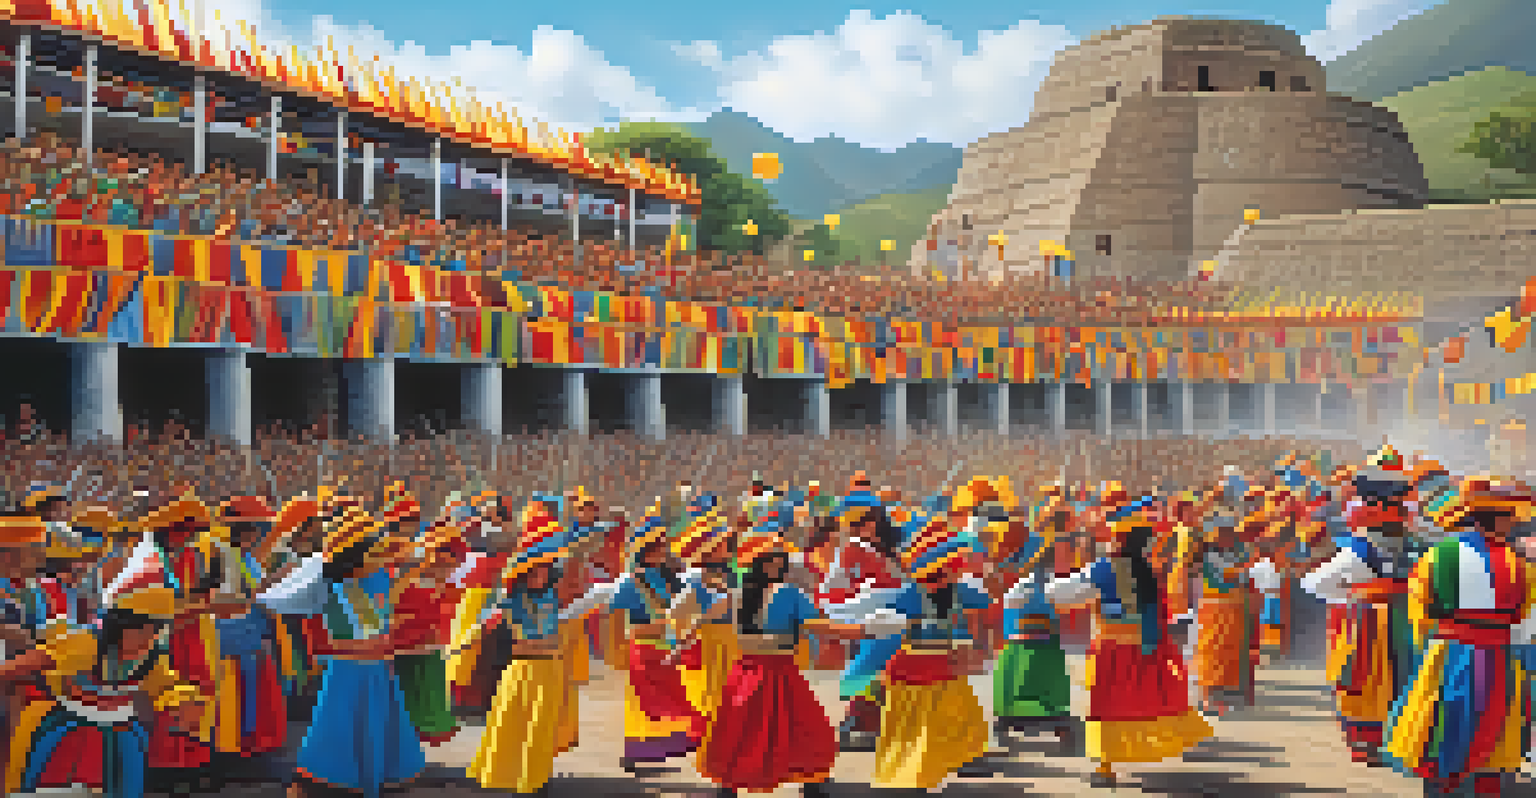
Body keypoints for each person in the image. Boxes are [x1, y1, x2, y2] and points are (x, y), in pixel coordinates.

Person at [1045, 496, 1213, 788]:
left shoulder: (1106, 569)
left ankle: (1105, 766)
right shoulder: (1147, 570)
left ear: (1120, 540)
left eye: (1111, 536)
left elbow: (1063, 594)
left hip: (1110, 650)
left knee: (1104, 707)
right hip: (1144, 648)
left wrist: (1049, 583)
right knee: (1137, 703)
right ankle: (1133, 753)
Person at [1384, 478, 1536, 797]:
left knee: (1442, 717)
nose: (1513, 524)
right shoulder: (1520, 565)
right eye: (1510, 517)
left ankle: (1444, 784)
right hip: (1499, 655)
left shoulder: (1437, 556)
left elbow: (1418, 611)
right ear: (1498, 519)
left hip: (1448, 650)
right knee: (1496, 724)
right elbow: (1523, 619)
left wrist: (1428, 642)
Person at [0, 578, 208, 798]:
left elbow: (168, 688)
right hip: (68, 730)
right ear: (118, 626)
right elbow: (27, 663)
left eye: (153, 632)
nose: (146, 640)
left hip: (122, 737)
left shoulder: (152, 660)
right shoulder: (83, 645)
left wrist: (183, 701)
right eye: (139, 631)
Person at [695, 533, 855, 797]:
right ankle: (812, 782)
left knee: (738, 729)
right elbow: (819, 625)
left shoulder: (736, 595)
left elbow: (704, 618)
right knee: (807, 727)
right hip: (779, 672)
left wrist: (679, 645)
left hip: (743, 672)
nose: (783, 564)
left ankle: (728, 786)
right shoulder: (789, 593)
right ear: (770, 563)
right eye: (780, 559)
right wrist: (861, 630)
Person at [289, 508, 425, 798]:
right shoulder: (328, 585)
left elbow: (381, 622)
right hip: (347, 671)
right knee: (337, 726)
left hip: (375, 668)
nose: (379, 558)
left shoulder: (377, 577)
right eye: (372, 553)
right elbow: (322, 639)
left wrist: (383, 649)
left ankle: (371, 778)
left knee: (377, 726)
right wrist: (362, 646)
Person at [1300, 458, 1421, 767]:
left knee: (1363, 680)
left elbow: (1313, 584)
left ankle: (1367, 743)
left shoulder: (1359, 550)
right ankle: (1398, 740)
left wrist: (1351, 594)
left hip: (1367, 623)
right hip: (1409, 622)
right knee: (1404, 679)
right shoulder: (1419, 545)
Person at [864, 510, 993, 791]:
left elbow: (987, 602)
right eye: (945, 567)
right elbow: (880, 621)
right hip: (912, 669)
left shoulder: (960, 591)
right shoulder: (910, 593)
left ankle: (958, 761)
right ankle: (912, 778)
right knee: (913, 729)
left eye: (951, 566)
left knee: (960, 718)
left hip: (945, 667)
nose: (950, 571)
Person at [461, 504, 580, 795]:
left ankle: (535, 780)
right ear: (523, 573)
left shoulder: (552, 597)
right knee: (511, 727)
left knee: (541, 730)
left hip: (549, 670)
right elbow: (491, 627)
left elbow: (557, 631)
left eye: (544, 569)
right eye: (535, 570)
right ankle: (508, 776)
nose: (541, 575)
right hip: (521, 670)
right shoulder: (510, 600)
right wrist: (470, 637)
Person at [609, 501, 706, 773]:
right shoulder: (631, 580)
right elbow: (616, 615)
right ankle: (636, 754)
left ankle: (651, 753)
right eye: (659, 546)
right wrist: (616, 650)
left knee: (670, 701)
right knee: (646, 704)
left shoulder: (668, 577)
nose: (665, 550)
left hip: (666, 646)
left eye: (664, 545)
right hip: (644, 647)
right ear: (647, 550)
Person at [994, 483, 1076, 750]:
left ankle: (1047, 711)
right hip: (1022, 606)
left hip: (1044, 607)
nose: (1054, 516)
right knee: (1018, 656)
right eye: (1051, 509)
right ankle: (1012, 712)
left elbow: (1067, 571)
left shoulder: (1062, 540)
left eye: (1058, 511)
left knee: (1043, 658)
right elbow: (1004, 566)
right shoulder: (1023, 535)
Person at [206, 495, 288, 759]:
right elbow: (224, 599)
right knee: (236, 690)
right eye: (256, 530)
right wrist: (270, 583)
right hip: (233, 633)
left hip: (252, 630)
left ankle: (249, 740)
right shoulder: (222, 555)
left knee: (252, 687)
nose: (259, 536)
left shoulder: (245, 557)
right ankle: (235, 744)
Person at [668, 506, 739, 721]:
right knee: (711, 693)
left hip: (734, 637)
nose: (730, 548)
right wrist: (680, 642)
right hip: (707, 640)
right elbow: (678, 613)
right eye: (725, 543)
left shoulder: (733, 573)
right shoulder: (695, 577)